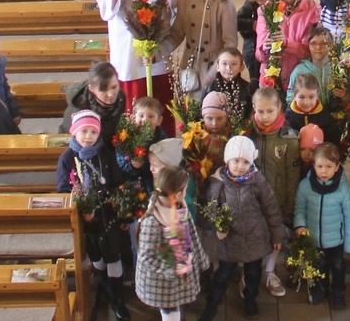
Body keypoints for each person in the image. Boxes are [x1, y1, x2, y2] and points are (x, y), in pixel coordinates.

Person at [94, 0, 184, 136]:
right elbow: (104, 3)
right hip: (127, 43)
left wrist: (165, 1)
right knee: (131, 93)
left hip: (156, 39)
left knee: (159, 93)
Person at [200, 136, 287, 320]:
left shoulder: (257, 181)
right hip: (230, 240)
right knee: (223, 274)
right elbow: (211, 209)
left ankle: (250, 299)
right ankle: (212, 304)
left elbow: (270, 209)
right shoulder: (218, 183)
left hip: (255, 237)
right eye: (236, 161)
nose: (240, 166)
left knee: (253, 273)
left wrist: (277, 236)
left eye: (245, 161)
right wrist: (218, 226)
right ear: (227, 160)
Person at [56, 110, 129, 320]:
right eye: (84, 131)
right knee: (96, 257)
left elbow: (117, 182)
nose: (88, 136)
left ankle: (117, 299)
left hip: (109, 216)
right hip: (84, 221)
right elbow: (63, 189)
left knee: (114, 256)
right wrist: (82, 208)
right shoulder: (67, 158)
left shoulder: (104, 153)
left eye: (93, 132)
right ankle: (103, 290)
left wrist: (122, 210)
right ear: (74, 133)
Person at [136, 166, 209, 321]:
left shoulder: (181, 208)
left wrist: (201, 261)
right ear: (177, 194)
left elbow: (192, 236)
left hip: (179, 277)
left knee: (175, 309)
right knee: (170, 312)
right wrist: (171, 270)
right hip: (162, 283)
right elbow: (146, 257)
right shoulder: (152, 221)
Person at [249, 87, 299, 297]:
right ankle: (249, 274)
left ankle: (270, 271)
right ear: (254, 109)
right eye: (260, 111)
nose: (265, 116)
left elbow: (292, 174)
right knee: (252, 236)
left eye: (270, 111)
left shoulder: (289, 138)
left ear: (279, 108)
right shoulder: (246, 133)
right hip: (250, 200)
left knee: (276, 236)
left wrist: (289, 203)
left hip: (276, 198)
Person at [294, 142, 350, 308]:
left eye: (328, 166)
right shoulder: (306, 186)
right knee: (319, 266)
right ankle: (320, 289)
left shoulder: (343, 189)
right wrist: (300, 225)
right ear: (313, 166)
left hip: (336, 240)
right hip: (314, 239)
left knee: (338, 266)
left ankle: (338, 291)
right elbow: (300, 208)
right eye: (320, 166)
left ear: (337, 167)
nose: (324, 171)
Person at [161, 0, 237, 95]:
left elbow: (230, 44)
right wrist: (157, 52)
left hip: (214, 64)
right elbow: (176, 34)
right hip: (190, 64)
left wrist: (217, 70)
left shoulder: (224, 2)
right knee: (190, 111)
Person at [255, 0, 320, 86]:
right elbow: (259, 56)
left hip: (300, 80)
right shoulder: (266, 9)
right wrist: (264, 48)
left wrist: (287, 43)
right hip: (270, 78)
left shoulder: (313, 9)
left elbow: (309, 52)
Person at [60, 61, 127, 150]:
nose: (111, 94)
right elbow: (75, 146)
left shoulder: (120, 96)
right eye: (103, 90)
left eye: (114, 87)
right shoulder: (78, 110)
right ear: (91, 89)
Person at [115, 96, 166, 189]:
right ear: (134, 118)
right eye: (141, 116)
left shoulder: (162, 138)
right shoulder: (127, 139)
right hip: (134, 184)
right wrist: (132, 166)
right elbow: (121, 163)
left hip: (155, 182)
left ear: (159, 120)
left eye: (151, 116)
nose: (145, 120)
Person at [201, 47, 257, 122]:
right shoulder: (209, 87)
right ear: (217, 67)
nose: (228, 68)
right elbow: (201, 114)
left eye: (234, 64)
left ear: (241, 67)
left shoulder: (248, 88)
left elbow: (251, 115)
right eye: (224, 64)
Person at [286, 25, 336, 107]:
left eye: (324, 44)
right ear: (308, 46)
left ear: (331, 46)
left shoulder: (337, 69)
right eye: (313, 44)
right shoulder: (300, 70)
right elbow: (290, 95)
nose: (318, 47)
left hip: (334, 115)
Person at [285, 73, 335, 143]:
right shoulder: (288, 117)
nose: (306, 102)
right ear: (294, 96)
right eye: (301, 97)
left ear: (317, 95)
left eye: (311, 97)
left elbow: (331, 140)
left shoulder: (325, 116)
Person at [237, 0, 268, 82]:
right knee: (255, 80)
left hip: (269, 51)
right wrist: (252, 24)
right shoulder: (250, 6)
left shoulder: (275, 6)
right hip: (252, 52)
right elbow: (236, 21)